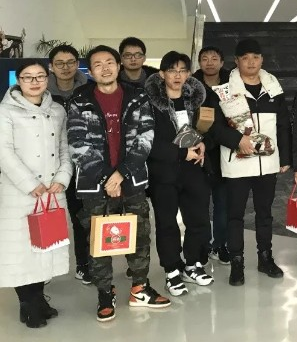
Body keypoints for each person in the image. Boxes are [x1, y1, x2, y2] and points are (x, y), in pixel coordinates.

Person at [68, 45, 170, 322]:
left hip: (132, 181)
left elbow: (145, 137)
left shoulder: (137, 96)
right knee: (98, 240)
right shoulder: (79, 99)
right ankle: (105, 292)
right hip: (95, 184)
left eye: (109, 62)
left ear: (118, 65)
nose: (105, 68)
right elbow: (77, 144)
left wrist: (121, 174)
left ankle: (140, 288)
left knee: (139, 235)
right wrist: (106, 177)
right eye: (97, 64)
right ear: (90, 71)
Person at [0, 61, 73, 328]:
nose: (34, 82)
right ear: (18, 80)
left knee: (46, 246)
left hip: (52, 191)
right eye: (27, 77)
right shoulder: (5, 111)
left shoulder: (57, 110)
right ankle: (27, 305)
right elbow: (3, 152)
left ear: (47, 79)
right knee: (22, 250)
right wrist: (30, 183)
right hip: (20, 192)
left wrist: (62, 178)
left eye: (40, 76)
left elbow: (64, 148)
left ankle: (40, 299)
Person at [217, 39, 291, 287]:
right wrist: (237, 140)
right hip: (237, 162)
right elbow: (215, 127)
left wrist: (285, 157)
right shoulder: (225, 90)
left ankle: (265, 257)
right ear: (236, 61)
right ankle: (236, 262)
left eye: (256, 57)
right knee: (235, 215)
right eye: (245, 58)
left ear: (262, 60)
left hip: (267, 163)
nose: (251, 62)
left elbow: (283, 124)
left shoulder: (273, 87)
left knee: (265, 214)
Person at [145, 51, 213, 296]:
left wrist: (202, 142)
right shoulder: (149, 103)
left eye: (183, 70)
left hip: (193, 170)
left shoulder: (195, 99)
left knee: (198, 218)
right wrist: (182, 153)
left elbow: (204, 128)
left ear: (189, 74)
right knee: (167, 223)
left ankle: (193, 264)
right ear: (161, 74)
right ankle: (172, 269)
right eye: (172, 70)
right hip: (163, 172)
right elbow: (147, 140)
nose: (177, 75)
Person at [47, 43, 91, 284]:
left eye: (70, 62)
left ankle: (83, 265)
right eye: (60, 63)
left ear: (77, 64)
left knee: (81, 217)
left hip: (82, 164)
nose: (65, 67)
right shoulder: (41, 92)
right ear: (51, 66)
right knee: (46, 216)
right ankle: (43, 269)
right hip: (47, 164)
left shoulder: (89, 90)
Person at [193, 46, 231, 264]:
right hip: (199, 151)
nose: (209, 62)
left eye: (214, 58)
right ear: (199, 62)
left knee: (223, 203)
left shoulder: (232, 84)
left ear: (222, 62)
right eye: (205, 59)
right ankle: (203, 244)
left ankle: (220, 244)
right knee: (199, 203)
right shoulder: (191, 85)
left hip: (225, 151)